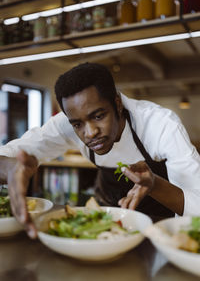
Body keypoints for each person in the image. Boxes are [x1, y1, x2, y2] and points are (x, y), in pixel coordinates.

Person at [0, 62, 200, 238]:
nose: (90, 132)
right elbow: (11, 153)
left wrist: (155, 185)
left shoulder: (160, 124)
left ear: (118, 104)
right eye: (78, 124)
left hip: (161, 226)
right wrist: (10, 168)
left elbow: (197, 206)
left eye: (98, 116)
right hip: (110, 221)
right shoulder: (66, 122)